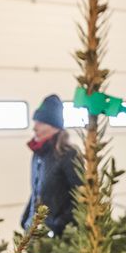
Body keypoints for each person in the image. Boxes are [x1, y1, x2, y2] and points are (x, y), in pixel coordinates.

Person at [22, 94, 82, 236]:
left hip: (59, 235)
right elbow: (37, 192)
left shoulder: (67, 154)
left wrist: (60, 225)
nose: (34, 128)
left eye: (40, 123)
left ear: (54, 126)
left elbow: (80, 195)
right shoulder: (38, 154)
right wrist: (25, 219)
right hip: (37, 231)